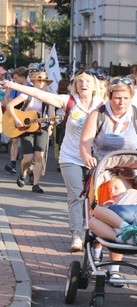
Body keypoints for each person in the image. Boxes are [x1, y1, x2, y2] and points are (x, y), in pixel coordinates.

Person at [1, 70, 104, 251]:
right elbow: (40, 94)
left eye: (87, 81)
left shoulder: (103, 105)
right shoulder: (69, 101)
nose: (83, 84)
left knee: (95, 199)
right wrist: (12, 85)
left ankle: (94, 234)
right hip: (71, 156)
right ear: (75, 85)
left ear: (94, 85)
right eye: (79, 81)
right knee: (76, 195)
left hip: (96, 158)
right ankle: (77, 237)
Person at [80, 76, 137, 280]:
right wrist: (87, 156)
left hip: (128, 174)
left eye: (124, 98)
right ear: (110, 97)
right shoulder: (98, 115)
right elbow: (85, 143)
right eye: (116, 97)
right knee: (98, 211)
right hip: (102, 172)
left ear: (131, 97)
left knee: (120, 215)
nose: (120, 102)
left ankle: (114, 268)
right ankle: (96, 255)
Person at [5, 71, 57, 193]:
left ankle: (36, 184)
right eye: (39, 80)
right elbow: (10, 105)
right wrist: (17, 120)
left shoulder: (50, 96)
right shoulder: (26, 94)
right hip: (26, 127)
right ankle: (23, 173)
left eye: (44, 81)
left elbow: (52, 115)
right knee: (28, 158)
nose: (41, 83)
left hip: (42, 127)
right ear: (33, 82)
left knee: (39, 156)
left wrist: (51, 126)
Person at [88, 176, 137, 245]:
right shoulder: (114, 203)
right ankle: (122, 239)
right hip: (132, 225)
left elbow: (121, 207)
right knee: (92, 222)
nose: (112, 192)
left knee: (97, 209)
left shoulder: (131, 192)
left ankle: (126, 228)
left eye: (116, 188)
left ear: (127, 187)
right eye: (110, 190)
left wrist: (106, 207)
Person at [4, 67, 29, 175]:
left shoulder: (31, 88)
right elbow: (9, 100)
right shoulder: (15, 88)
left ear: (23, 77)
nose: (14, 80)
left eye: (16, 78)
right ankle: (13, 163)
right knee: (14, 140)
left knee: (27, 142)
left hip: (28, 118)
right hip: (16, 115)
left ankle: (28, 168)